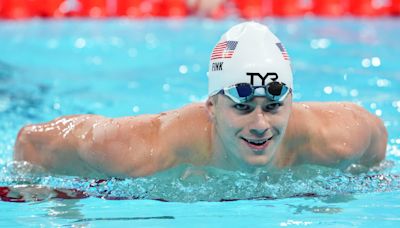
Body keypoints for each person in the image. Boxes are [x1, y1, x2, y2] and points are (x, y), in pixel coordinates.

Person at [14, 22, 388, 178]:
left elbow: (376, 142)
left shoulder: (338, 137)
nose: (260, 125)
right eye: (242, 106)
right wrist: (57, 201)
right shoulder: (144, 149)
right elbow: (32, 140)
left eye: (273, 106)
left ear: (291, 99)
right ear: (212, 105)